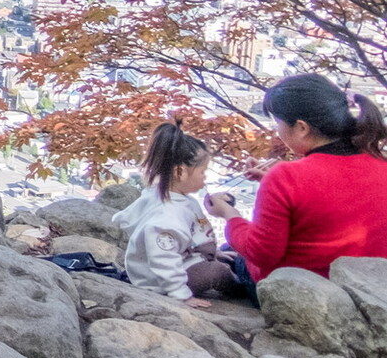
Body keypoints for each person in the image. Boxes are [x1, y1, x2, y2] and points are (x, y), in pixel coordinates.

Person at [209, 73, 387, 283]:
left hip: (300, 289)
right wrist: (271, 184)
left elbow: (262, 253)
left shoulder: (286, 177)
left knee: (229, 250)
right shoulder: (380, 163)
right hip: (367, 285)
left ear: (302, 128)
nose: (278, 131)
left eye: (278, 123)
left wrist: (230, 215)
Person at [113, 123, 244, 306]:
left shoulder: (171, 196)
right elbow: (163, 259)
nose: (205, 178)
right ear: (180, 172)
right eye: (202, 172)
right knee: (217, 272)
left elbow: (190, 237)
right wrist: (181, 294)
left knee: (231, 252)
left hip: (186, 259)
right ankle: (244, 287)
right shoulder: (167, 216)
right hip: (162, 281)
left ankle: (230, 265)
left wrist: (212, 254)